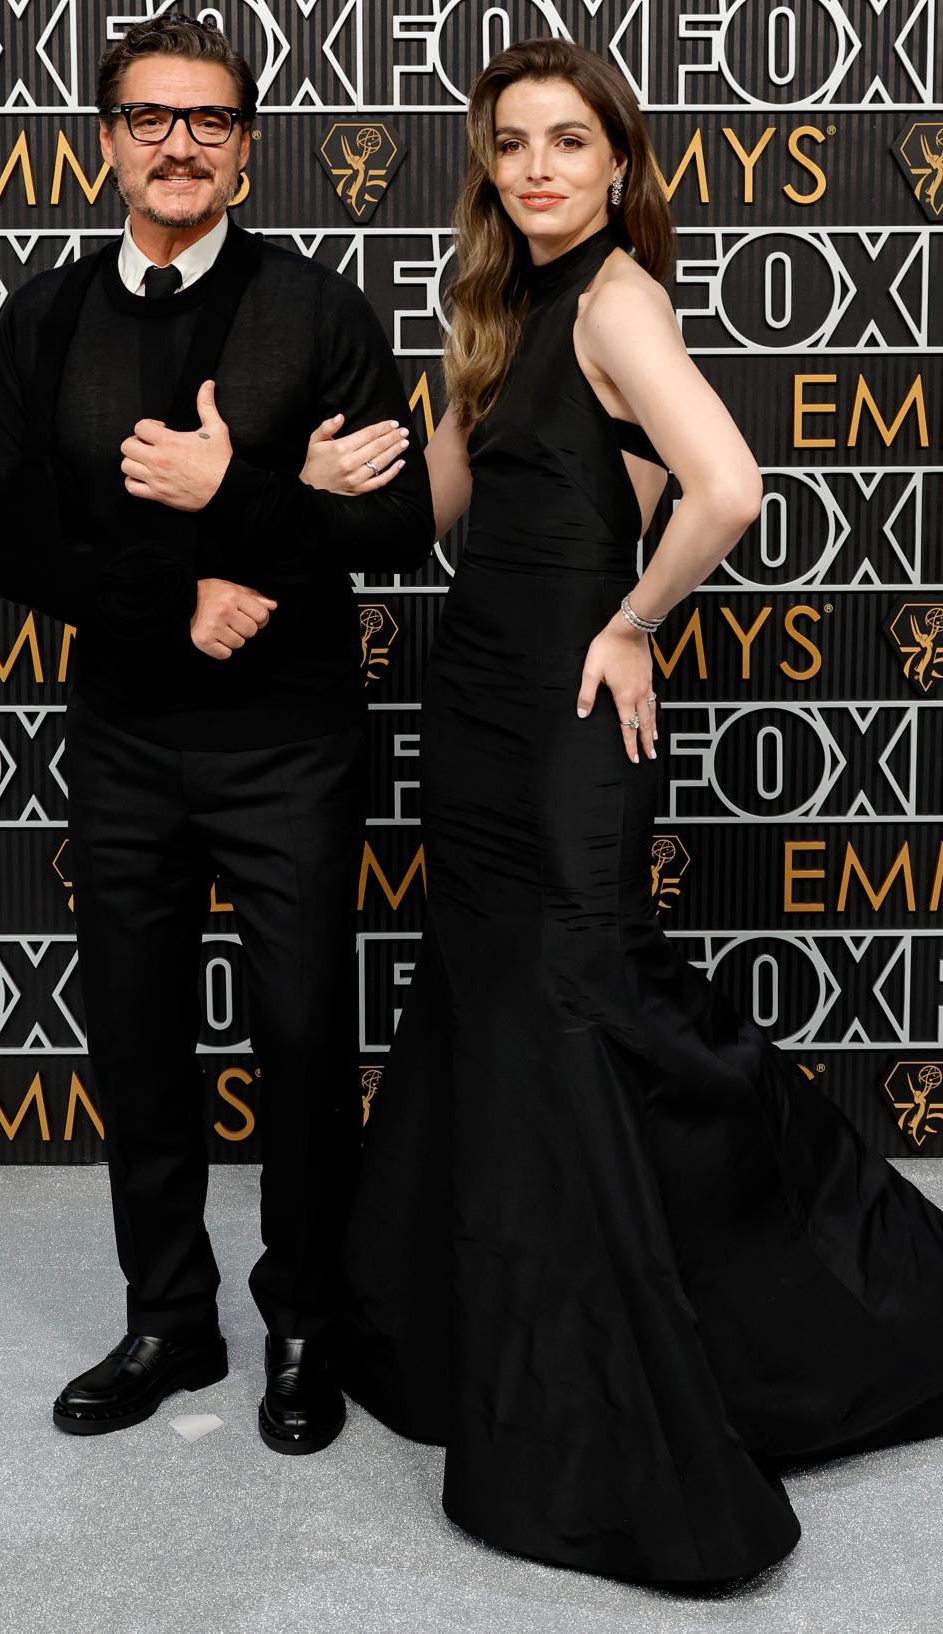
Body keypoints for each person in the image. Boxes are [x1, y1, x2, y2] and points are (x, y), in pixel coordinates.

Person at [301, 38, 943, 1586]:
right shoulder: (501, 308)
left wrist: (632, 619)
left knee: (591, 1013)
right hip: (474, 718)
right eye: (511, 143)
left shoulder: (616, 299)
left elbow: (727, 484)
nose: (534, 168)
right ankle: (489, 1344)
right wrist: (317, 481)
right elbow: (438, 515)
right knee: (501, 1024)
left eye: (567, 142)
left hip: (568, 728)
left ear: (617, 163)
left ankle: (815, 1308)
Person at [0, 13, 432, 1454]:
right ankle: (169, 1317)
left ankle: (305, 1317)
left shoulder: (318, 309)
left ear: (247, 145)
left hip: (288, 748)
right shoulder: (39, 319)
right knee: (138, 1040)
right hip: (120, 741)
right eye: (152, 117)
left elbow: (400, 520)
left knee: (303, 1040)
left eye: (213, 119)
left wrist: (238, 493)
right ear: (105, 138)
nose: (182, 142)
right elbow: (17, 548)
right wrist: (194, 592)